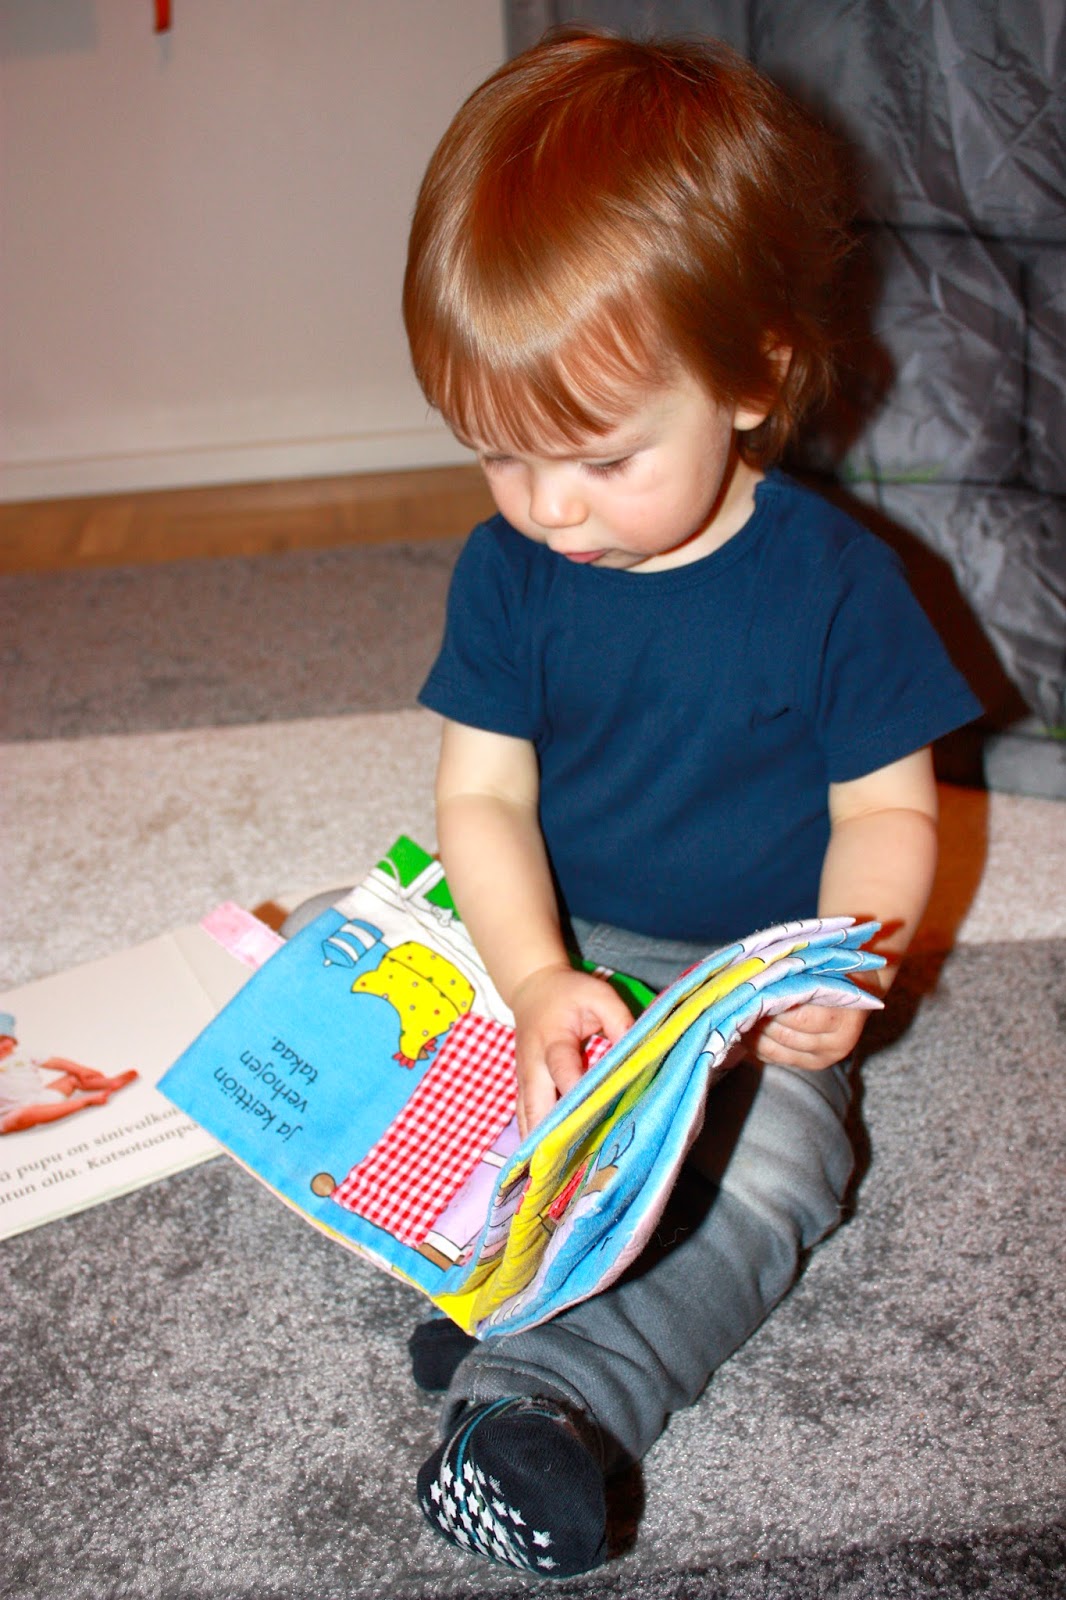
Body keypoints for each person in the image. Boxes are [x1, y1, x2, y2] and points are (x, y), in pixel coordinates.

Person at [402, 28, 981, 1577]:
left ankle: (546, 1395)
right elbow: (481, 797)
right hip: (557, 949)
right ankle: (508, 1277)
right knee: (347, 973)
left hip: (737, 989)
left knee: (785, 1169)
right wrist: (534, 978)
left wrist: (845, 964)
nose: (545, 507)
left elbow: (890, 816)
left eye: (595, 457)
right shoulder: (506, 572)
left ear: (751, 376)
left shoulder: (841, 584)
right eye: (496, 455)